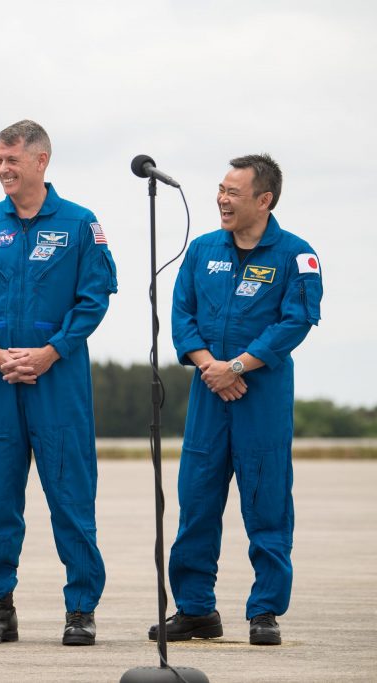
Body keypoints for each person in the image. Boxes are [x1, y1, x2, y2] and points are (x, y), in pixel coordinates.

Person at [0, 120, 117, 647]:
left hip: (58, 381)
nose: (3, 169)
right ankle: (0, 607)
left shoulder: (78, 224)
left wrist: (51, 353)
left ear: (41, 161)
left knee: (71, 495)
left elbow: (94, 299)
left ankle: (81, 608)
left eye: (12, 160)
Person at [150, 154, 322, 646]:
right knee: (197, 502)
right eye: (220, 190)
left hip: (260, 396)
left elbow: (295, 321)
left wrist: (239, 366)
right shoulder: (202, 250)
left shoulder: (296, 255)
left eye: (234, 192)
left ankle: (264, 611)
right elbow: (182, 315)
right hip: (209, 395)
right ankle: (196, 610)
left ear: (263, 201)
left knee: (266, 503)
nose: (222, 199)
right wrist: (211, 367)